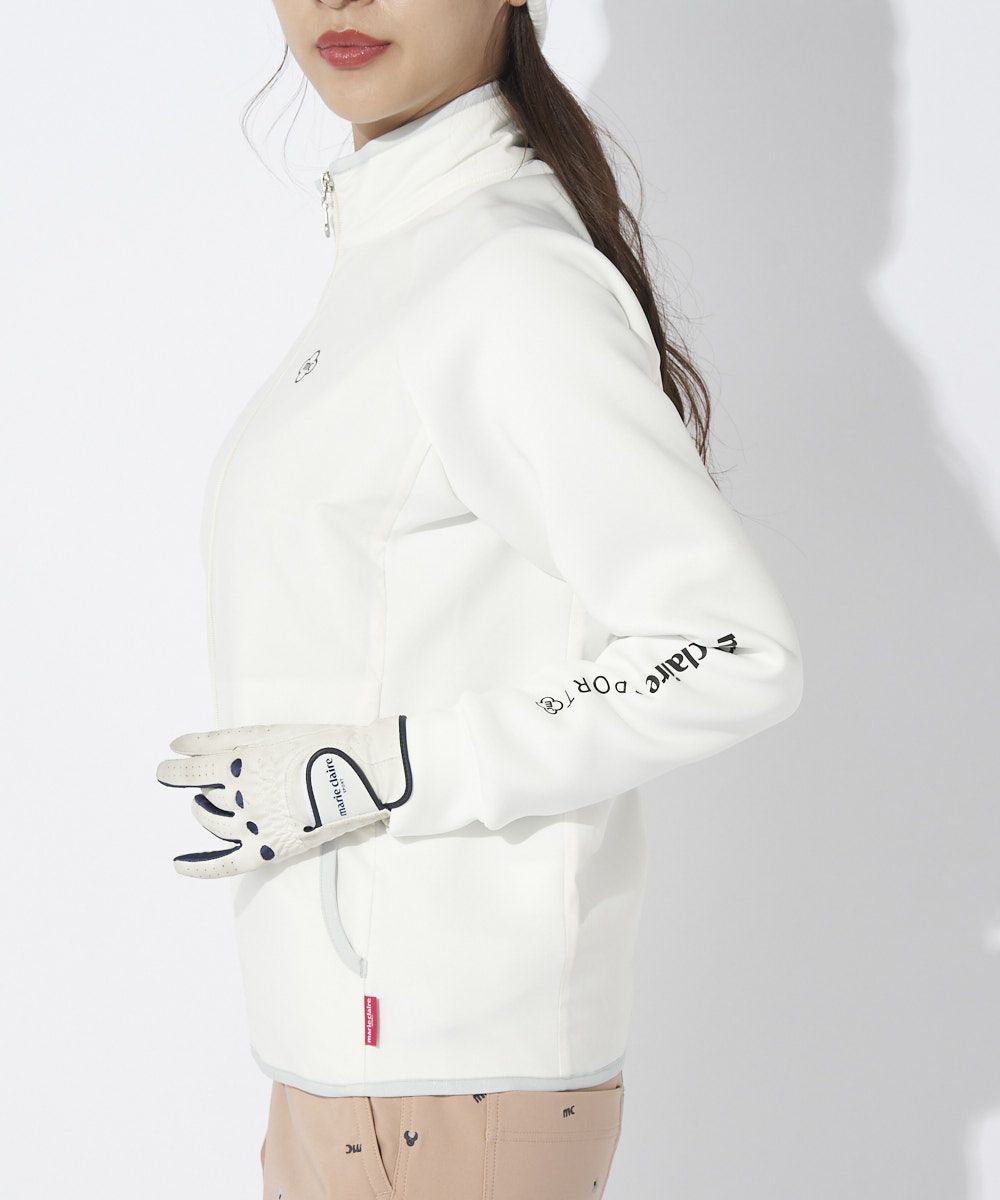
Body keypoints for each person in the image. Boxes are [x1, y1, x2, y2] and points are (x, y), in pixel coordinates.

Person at [155, 0, 805, 1195]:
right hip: (341, 1071)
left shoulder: (506, 275)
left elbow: (727, 649)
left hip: (446, 1090)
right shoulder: (401, 254)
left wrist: (389, 767)